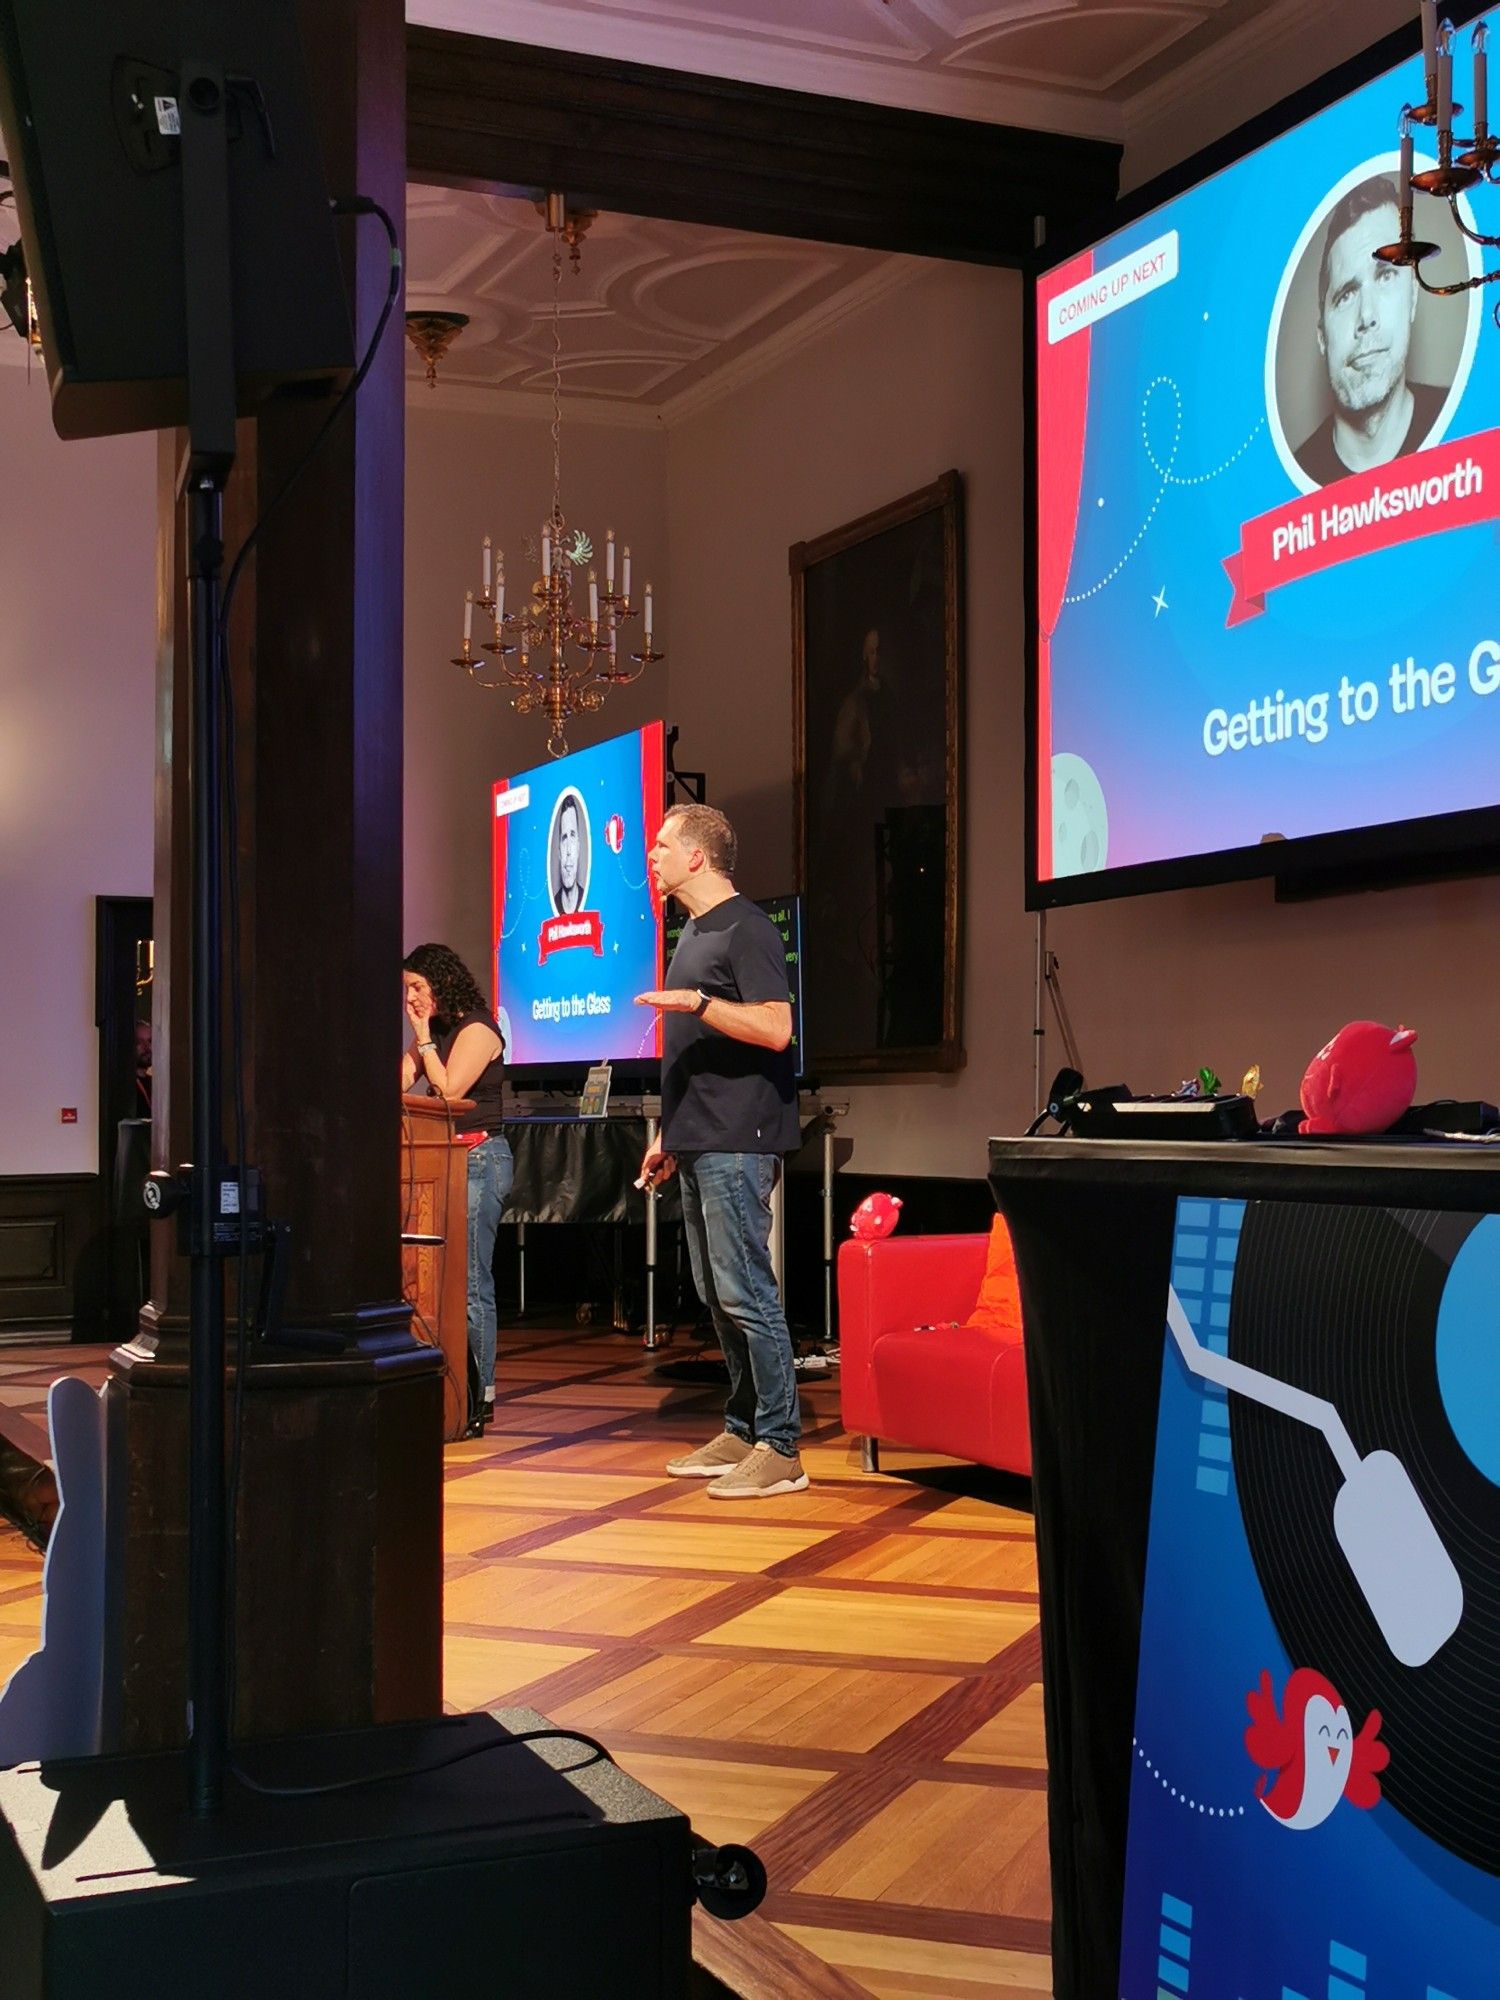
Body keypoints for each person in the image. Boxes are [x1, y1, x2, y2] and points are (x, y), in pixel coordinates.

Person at [635, 804, 806, 1498]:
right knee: (715, 1292)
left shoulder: (748, 928)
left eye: (663, 844)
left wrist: (699, 1004)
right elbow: (693, 1056)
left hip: (740, 1140)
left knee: (746, 1292)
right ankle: (741, 1428)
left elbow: (775, 1029)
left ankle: (781, 1444)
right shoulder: (693, 931)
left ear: (698, 858)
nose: (652, 854)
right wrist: (668, 1136)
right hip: (700, 1138)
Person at [401, 943, 511, 1435]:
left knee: (470, 1281)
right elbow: (402, 1083)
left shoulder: (479, 1028)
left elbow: (449, 1093)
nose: (413, 998)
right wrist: (418, 1041)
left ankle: (479, 1393)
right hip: (441, 1163)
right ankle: (445, 1388)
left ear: (442, 982)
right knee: (438, 1278)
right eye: (407, 990)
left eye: (418, 987)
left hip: (481, 1159)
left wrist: (423, 1037)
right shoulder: (436, 1034)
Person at [1294, 175, 1446, 487]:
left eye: (1386, 277)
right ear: (1322, 335)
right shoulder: (1287, 480)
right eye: (1346, 295)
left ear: (1413, 299)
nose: (1366, 315)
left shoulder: (1467, 426)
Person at [553, 792, 587, 914]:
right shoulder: (553, 902)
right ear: (559, 852)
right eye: (564, 838)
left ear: (578, 848)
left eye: (572, 836)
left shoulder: (588, 898)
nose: (568, 851)